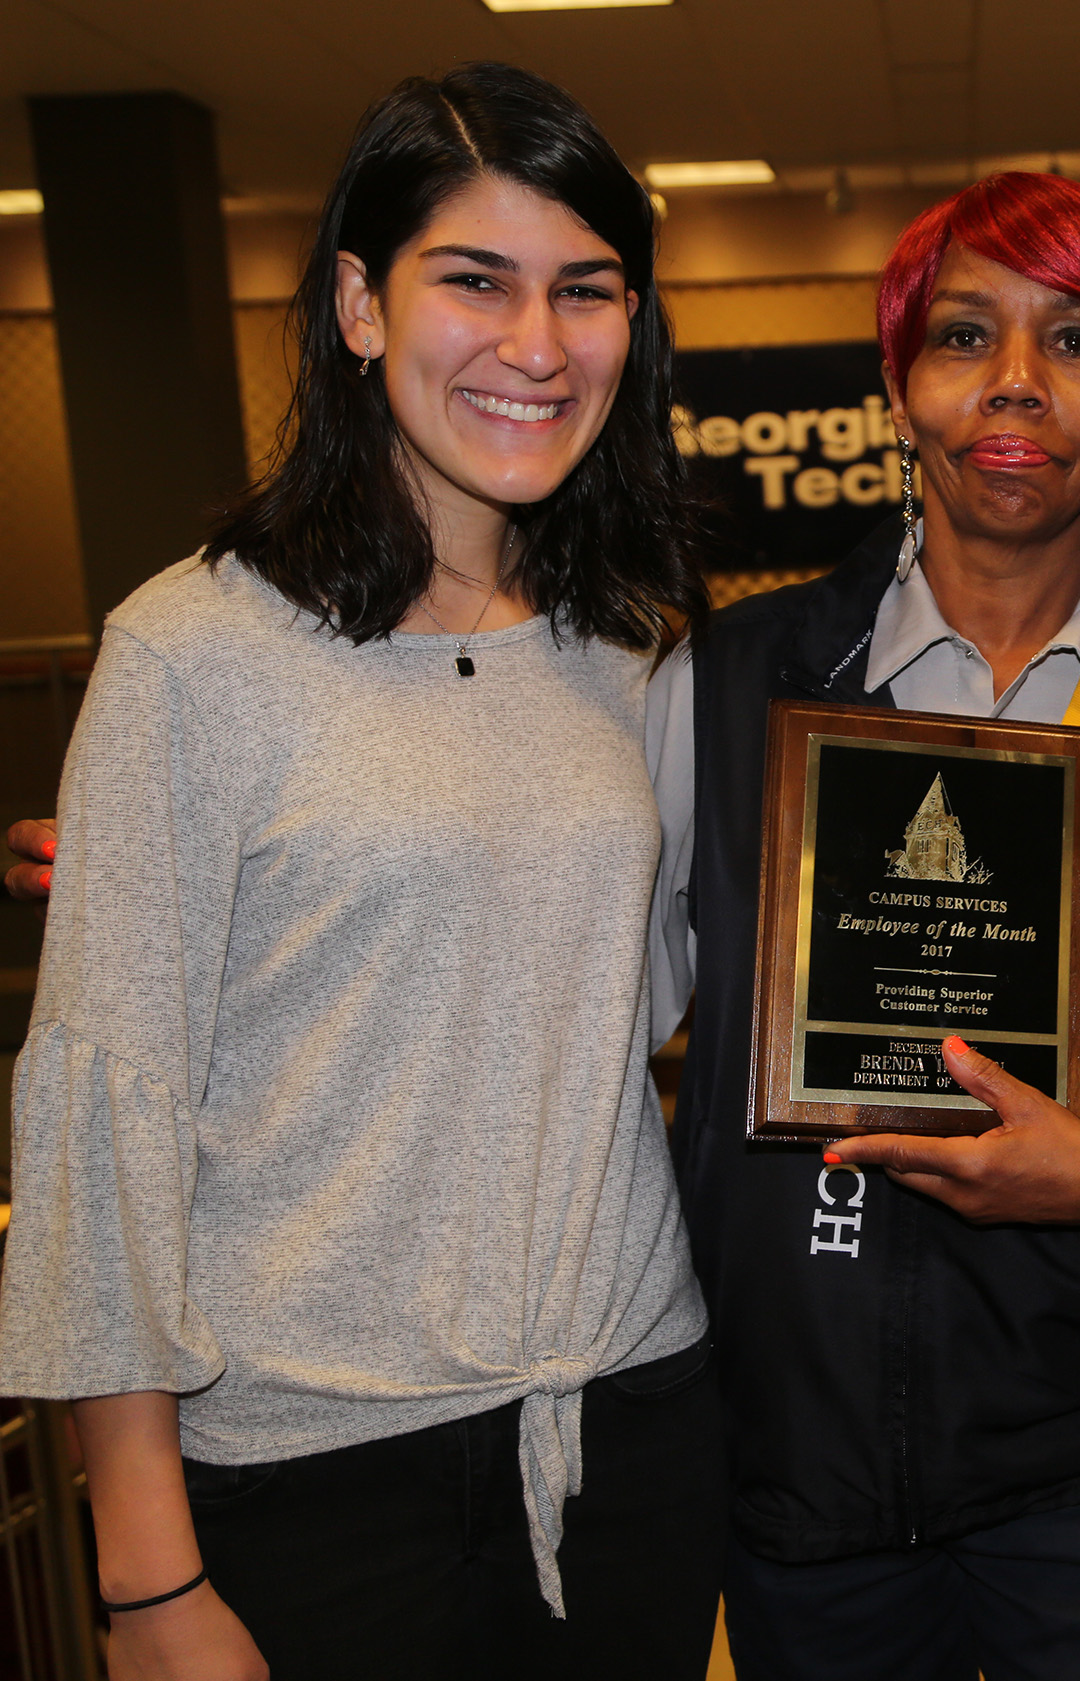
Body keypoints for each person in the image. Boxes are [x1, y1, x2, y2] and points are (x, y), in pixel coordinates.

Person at [0, 64, 725, 1681]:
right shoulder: (193, 653)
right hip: (311, 1477)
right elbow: (103, 1129)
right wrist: (144, 1575)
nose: (537, 346)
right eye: (475, 280)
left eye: (586, 291)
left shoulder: (630, 647)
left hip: (632, 1432)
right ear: (358, 303)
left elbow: (648, 998)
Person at [647, 172, 1080, 1680]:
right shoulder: (730, 689)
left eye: (1077, 342)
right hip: (803, 1459)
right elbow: (578, 982)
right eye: (965, 335)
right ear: (900, 390)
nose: (1017, 381)